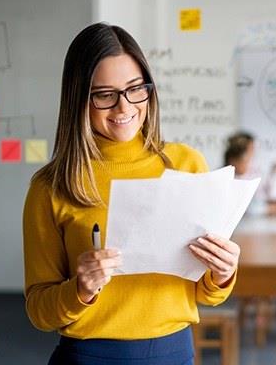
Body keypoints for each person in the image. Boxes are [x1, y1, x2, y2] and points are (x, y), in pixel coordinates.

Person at [22, 23, 239, 365]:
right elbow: (39, 311)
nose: (124, 108)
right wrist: (80, 289)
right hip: (89, 356)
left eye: (135, 89)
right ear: (79, 98)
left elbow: (206, 294)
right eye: (104, 94)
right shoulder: (52, 185)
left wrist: (222, 273)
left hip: (174, 352)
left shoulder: (187, 163)